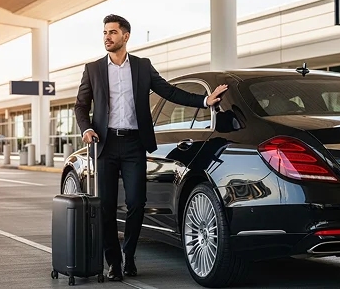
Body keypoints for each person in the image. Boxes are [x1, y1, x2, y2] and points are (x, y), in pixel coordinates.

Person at [74, 14, 227, 281]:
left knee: (136, 203)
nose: (107, 37)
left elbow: (169, 91)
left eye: (112, 32)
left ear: (125, 36)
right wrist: (86, 128)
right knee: (107, 207)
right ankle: (113, 262)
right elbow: (80, 106)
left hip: (134, 144)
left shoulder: (143, 67)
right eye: (105, 33)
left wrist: (205, 100)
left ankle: (129, 255)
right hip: (105, 145)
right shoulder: (93, 69)